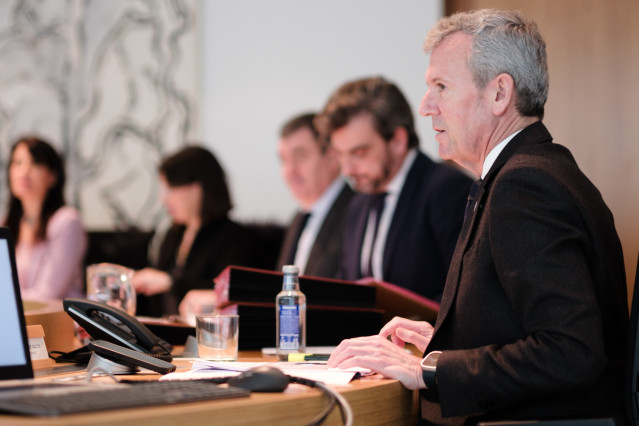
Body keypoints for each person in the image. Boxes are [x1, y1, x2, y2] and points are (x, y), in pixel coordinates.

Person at [327, 9, 629, 424]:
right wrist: (449, 342)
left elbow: (571, 350)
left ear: (499, 94)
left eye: (441, 86)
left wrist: (429, 369)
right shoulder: (530, 171)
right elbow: (527, 329)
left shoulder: (524, 186)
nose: (424, 105)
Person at [315, 77, 472, 301]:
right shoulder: (357, 205)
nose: (347, 169)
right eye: (340, 155)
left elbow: (465, 295)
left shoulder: (448, 189)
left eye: (358, 153)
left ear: (398, 141)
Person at [133, 146, 253, 317]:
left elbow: (228, 294)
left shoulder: (235, 238)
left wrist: (171, 282)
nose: (163, 199)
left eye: (170, 188)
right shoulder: (173, 234)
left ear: (197, 188)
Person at [4, 136, 87, 300]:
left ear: (52, 176)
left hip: (60, 322)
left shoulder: (67, 222)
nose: (24, 171)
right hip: (23, 321)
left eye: (35, 162)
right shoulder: (7, 224)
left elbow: (47, 295)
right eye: (18, 163)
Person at [276, 112, 353, 278]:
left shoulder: (356, 212)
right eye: (283, 160)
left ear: (332, 157)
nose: (289, 171)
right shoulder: (298, 218)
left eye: (299, 157)